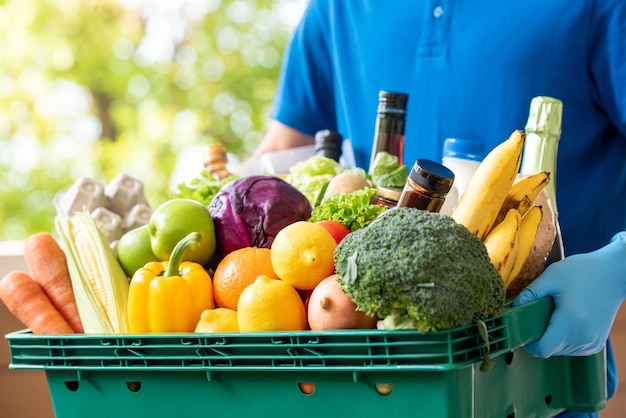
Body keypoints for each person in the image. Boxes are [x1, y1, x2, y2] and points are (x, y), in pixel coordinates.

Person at [247, 1, 626, 416]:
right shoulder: (338, 8)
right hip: (365, 391)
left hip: (533, 386)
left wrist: (618, 265)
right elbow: (284, 154)